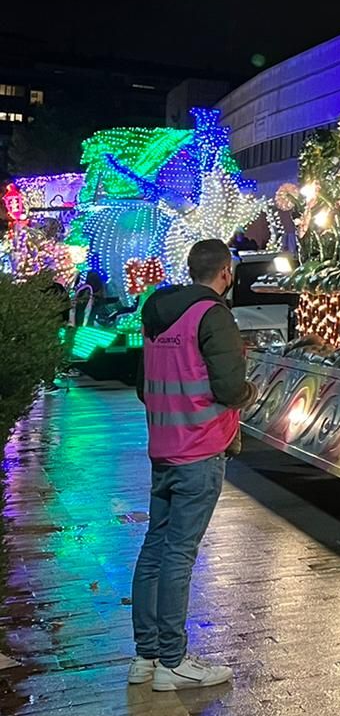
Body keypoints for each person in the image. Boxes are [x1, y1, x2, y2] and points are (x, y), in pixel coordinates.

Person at [128, 239, 257, 692]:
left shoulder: (157, 311)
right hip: (200, 450)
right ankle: (173, 661)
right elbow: (228, 386)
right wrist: (249, 394)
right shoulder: (213, 315)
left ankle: (145, 657)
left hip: (163, 447)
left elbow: (145, 385)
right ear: (225, 272)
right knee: (180, 554)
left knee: (155, 548)